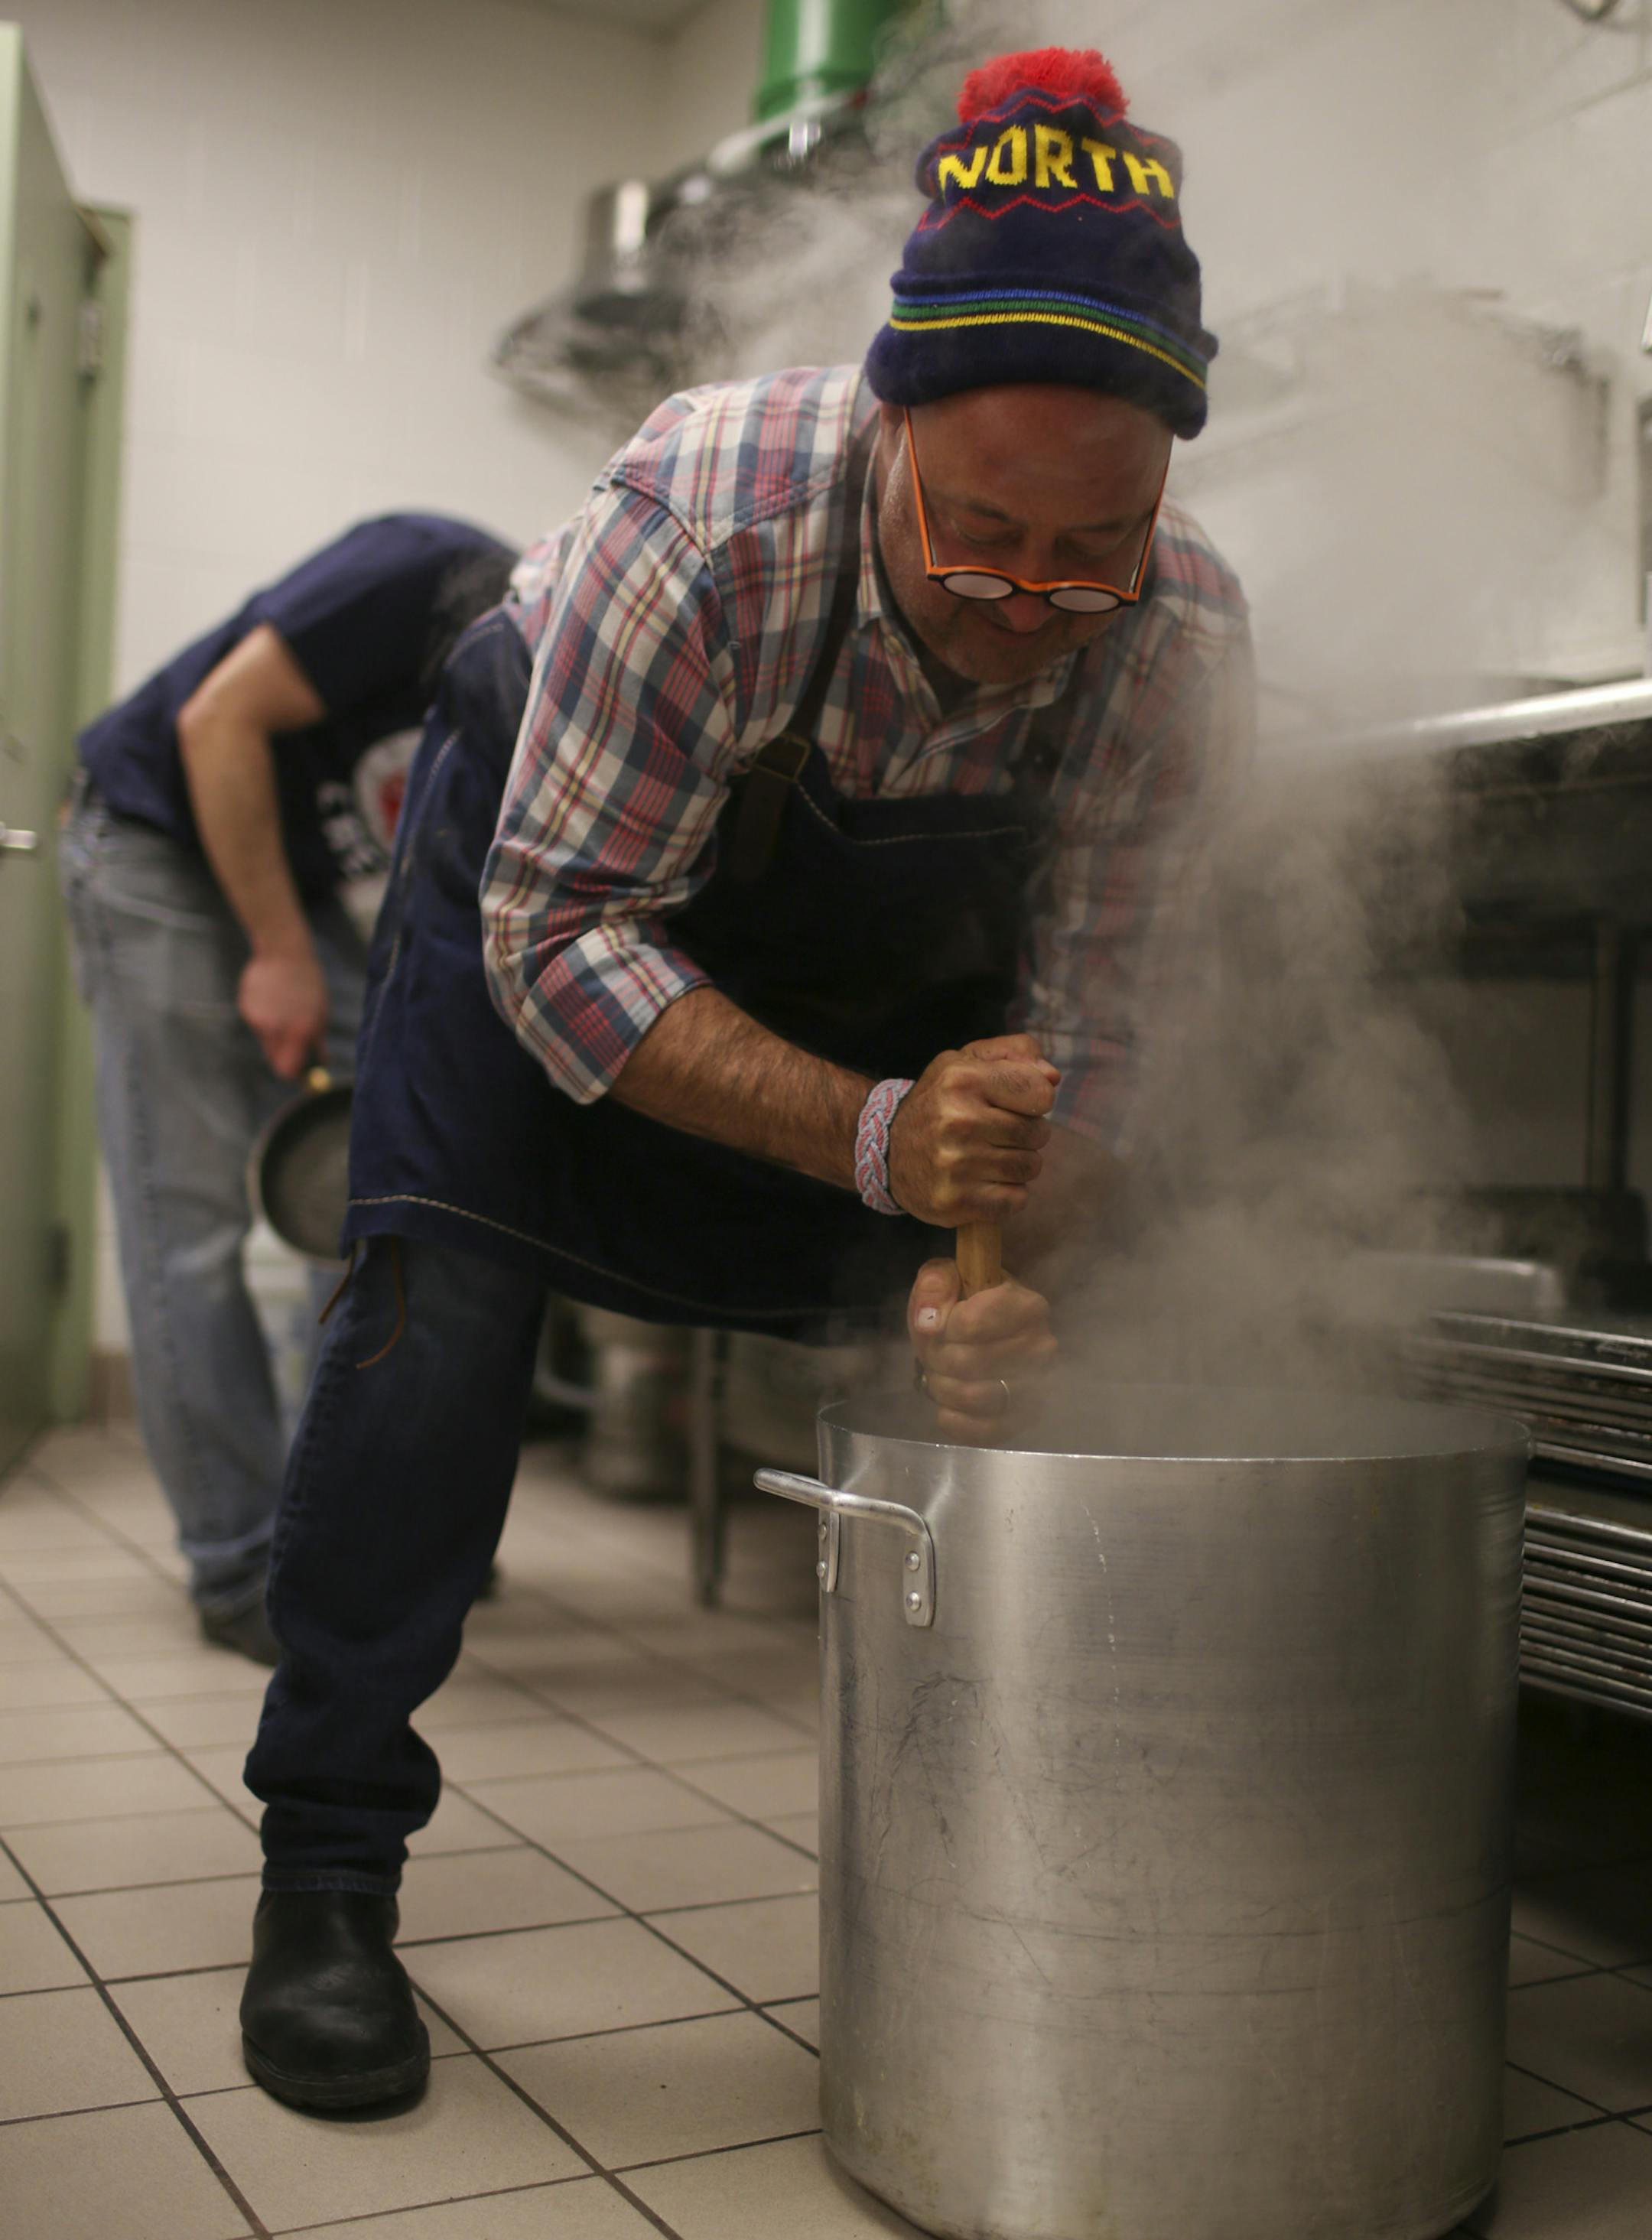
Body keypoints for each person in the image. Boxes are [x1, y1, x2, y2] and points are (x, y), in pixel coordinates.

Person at [238, 45, 1254, 2110]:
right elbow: (561, 940)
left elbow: (1117, 1036)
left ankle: (1057, 1874)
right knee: (432, 1326)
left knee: (1078, 1338)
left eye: (1094, 548)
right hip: (550, 930)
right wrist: (878, 1138)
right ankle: (328, 1878)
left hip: (833, 1004)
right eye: (980, 535)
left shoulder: (1174, 641)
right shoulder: (706, 522)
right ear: (893, 429)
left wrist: (1008, 1255)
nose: (1025, 606)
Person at [60, 515, 515, 1660]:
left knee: (389, 1210)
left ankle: (357, 1533)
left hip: (298, 890)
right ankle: (240, 1560)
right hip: (160, 848)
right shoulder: (432, 572)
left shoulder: (545, 695)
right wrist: (274, 950)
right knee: (193, 1227)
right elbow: (219, 720)